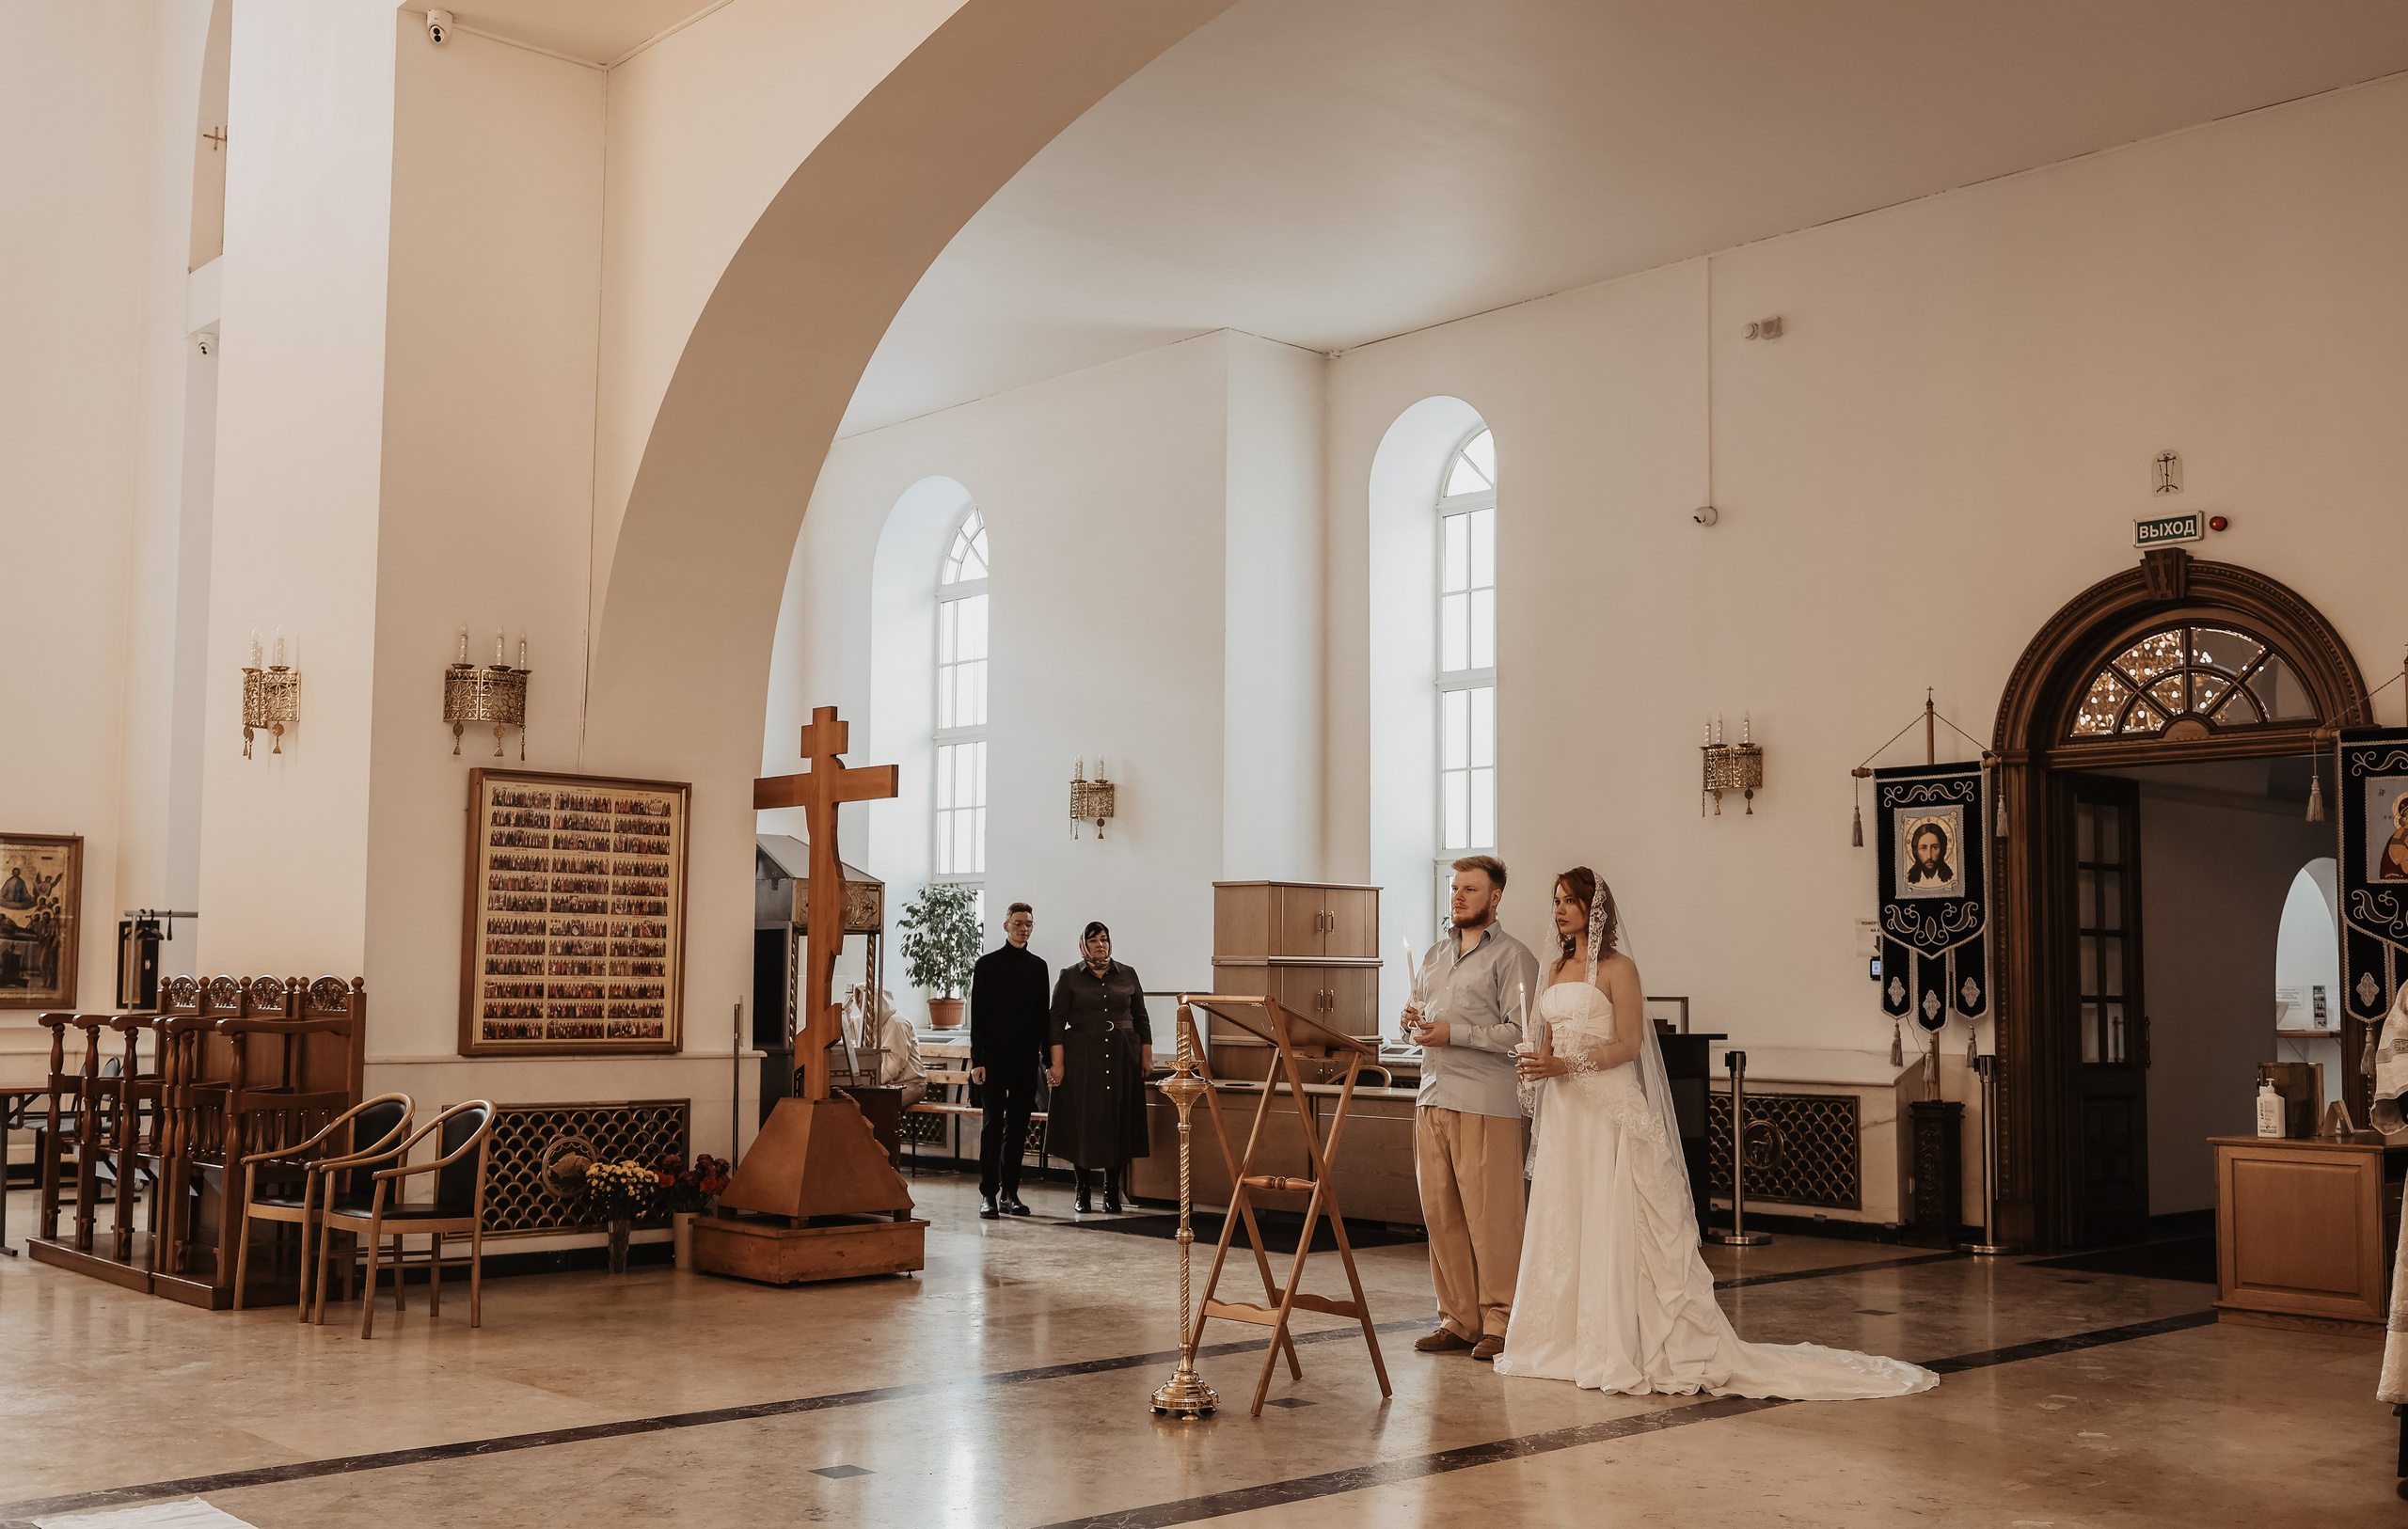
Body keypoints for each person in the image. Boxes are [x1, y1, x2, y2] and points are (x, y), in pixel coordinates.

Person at [1495, 866, 1938, 1400]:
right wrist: (1537, 1060)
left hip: (1607, 1107)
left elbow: (1630, 1047)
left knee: (1615, 1216)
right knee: (1567, 1212)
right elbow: (1544, 1038)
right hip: (1566, 1110)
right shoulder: (1555, 967)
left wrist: (1568, 1065)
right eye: (1556, 902)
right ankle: (1560, 1340)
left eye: (1569, 902)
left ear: (1596, 910)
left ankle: (1620, 1340)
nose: (1560, 911)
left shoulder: (1618, 968)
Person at [1403, 855, 1541, 1362]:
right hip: (1432, 1096)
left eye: (1471, 889)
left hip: (1487, 1101)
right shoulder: (1437, 955)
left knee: (1493, 1218)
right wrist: (1412, 1020)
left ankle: (1500, 1318)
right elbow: (1423, 1019)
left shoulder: (1512, 957)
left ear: (1495, 896)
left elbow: (1521, 1032)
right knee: (1441, 1215)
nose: (1458, 896)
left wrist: (1452, 1033)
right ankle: (1458, 1318)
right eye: (1455, 887)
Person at [1047, 922, 1153, 1213]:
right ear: (1083, 945)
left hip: (1122, 1055)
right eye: (1093, 940)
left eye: (1104, 939)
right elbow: (1055, 1022)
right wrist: (1057, 1064)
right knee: (1084, 1121)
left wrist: (1146, 1055)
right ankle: (1082, 1189)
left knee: (1117, 1120)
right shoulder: (1069, 977)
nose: (1100, 945)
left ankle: (1111, 1190)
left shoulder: (1128, 973)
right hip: (1082, 1057)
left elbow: (1141, 1017)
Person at [971, 902, 1050, 1219]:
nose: (1023, 928)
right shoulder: (987, 965)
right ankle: (988, 1194)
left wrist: (1045, 1059)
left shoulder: (1038, 966)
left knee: (1018, 1128)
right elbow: (978, 1016)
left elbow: (1042, 1017)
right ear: (1006, 926)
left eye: (1028, 923)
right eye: (1018, 923)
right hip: (992, 1061)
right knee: (992, 1126)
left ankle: (1011, 1193)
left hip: (1025, 1061)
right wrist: (978, 1059)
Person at [1905, 822, 1954, 888]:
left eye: (1934, 847)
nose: (1929, 856)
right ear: (1915, 851)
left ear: (1942, 849)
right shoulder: (1909, 879)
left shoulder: (1951, 878)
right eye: (1923, 848)